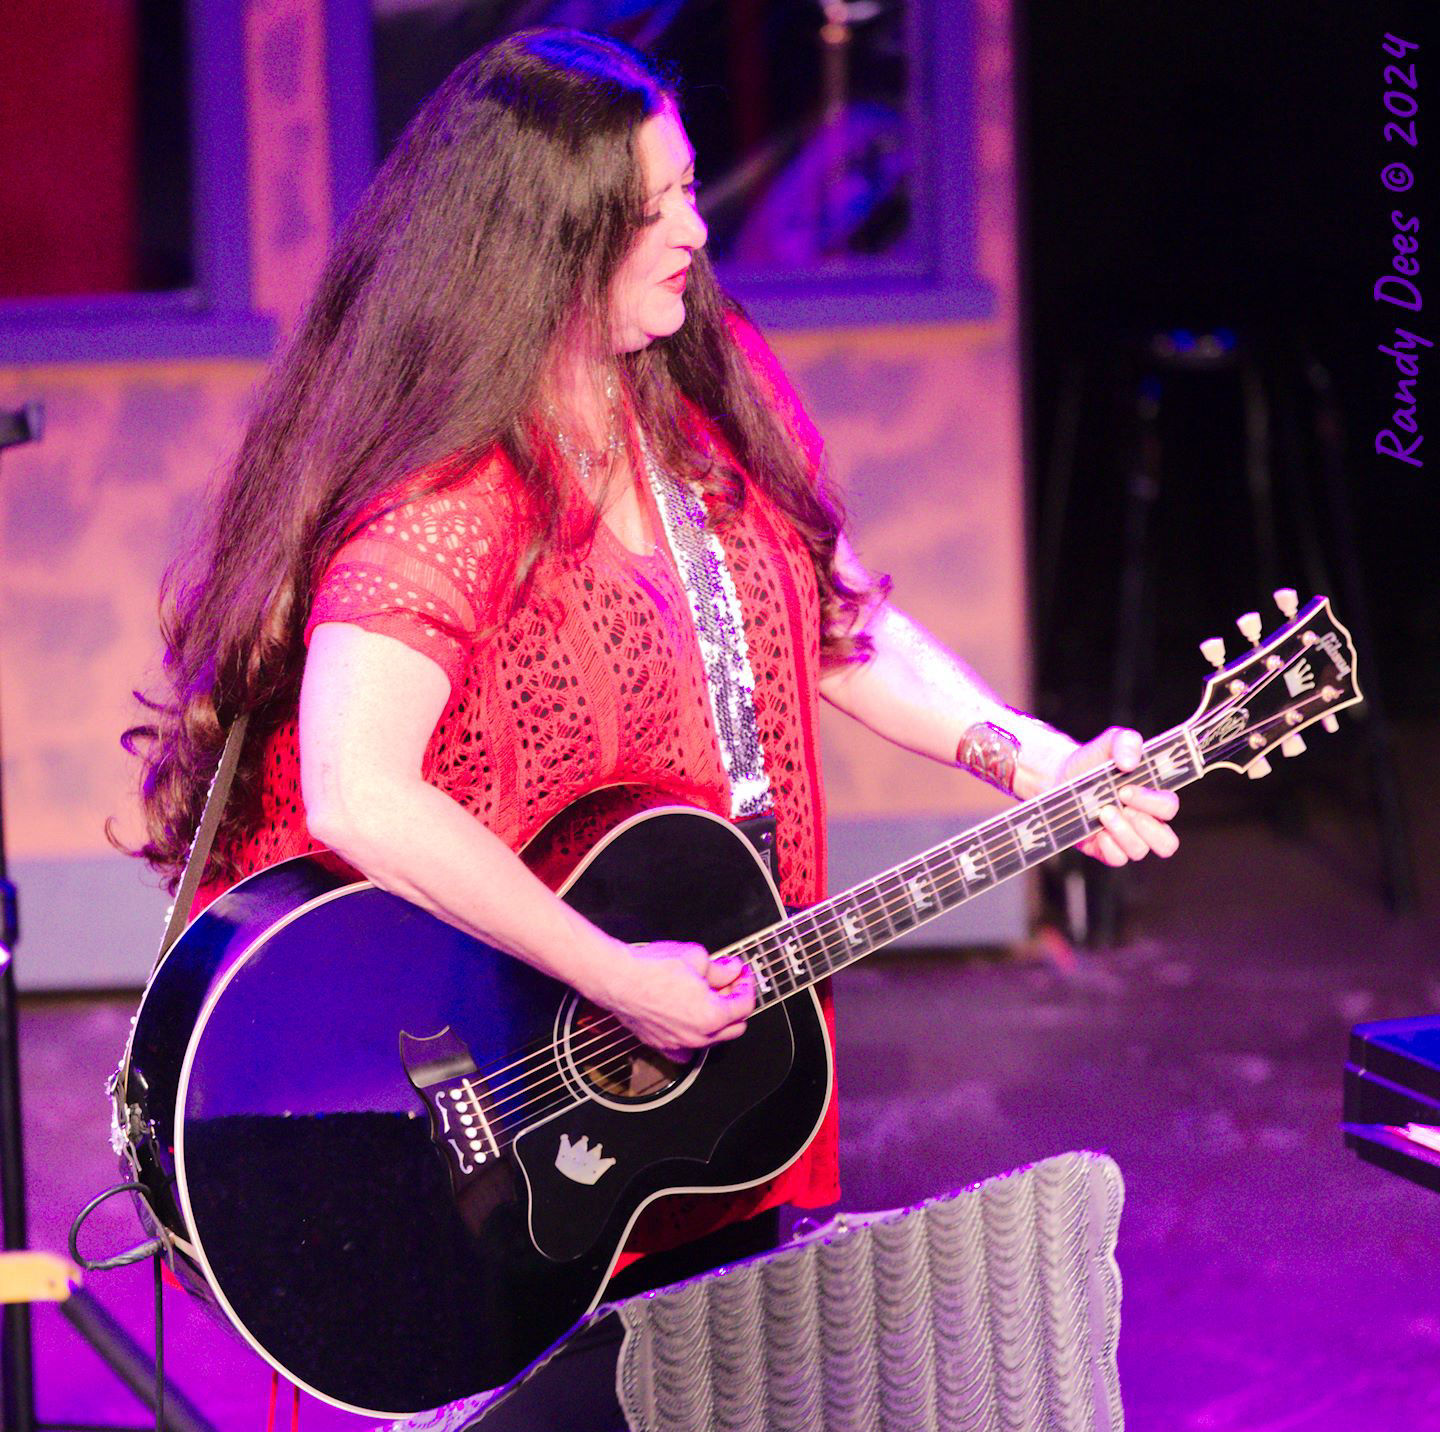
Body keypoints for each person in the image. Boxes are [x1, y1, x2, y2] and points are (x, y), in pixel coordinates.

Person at [123, 28, 1178, 1294]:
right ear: (551, 245)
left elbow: (836, 618)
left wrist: (1038, 762)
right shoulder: (453, 501)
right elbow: (358, 791)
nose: (697, 230)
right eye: (657, 206)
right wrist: (617, 979)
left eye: (688, 189)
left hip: (698, 1073)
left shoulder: (693, 392)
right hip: (523, 1094)